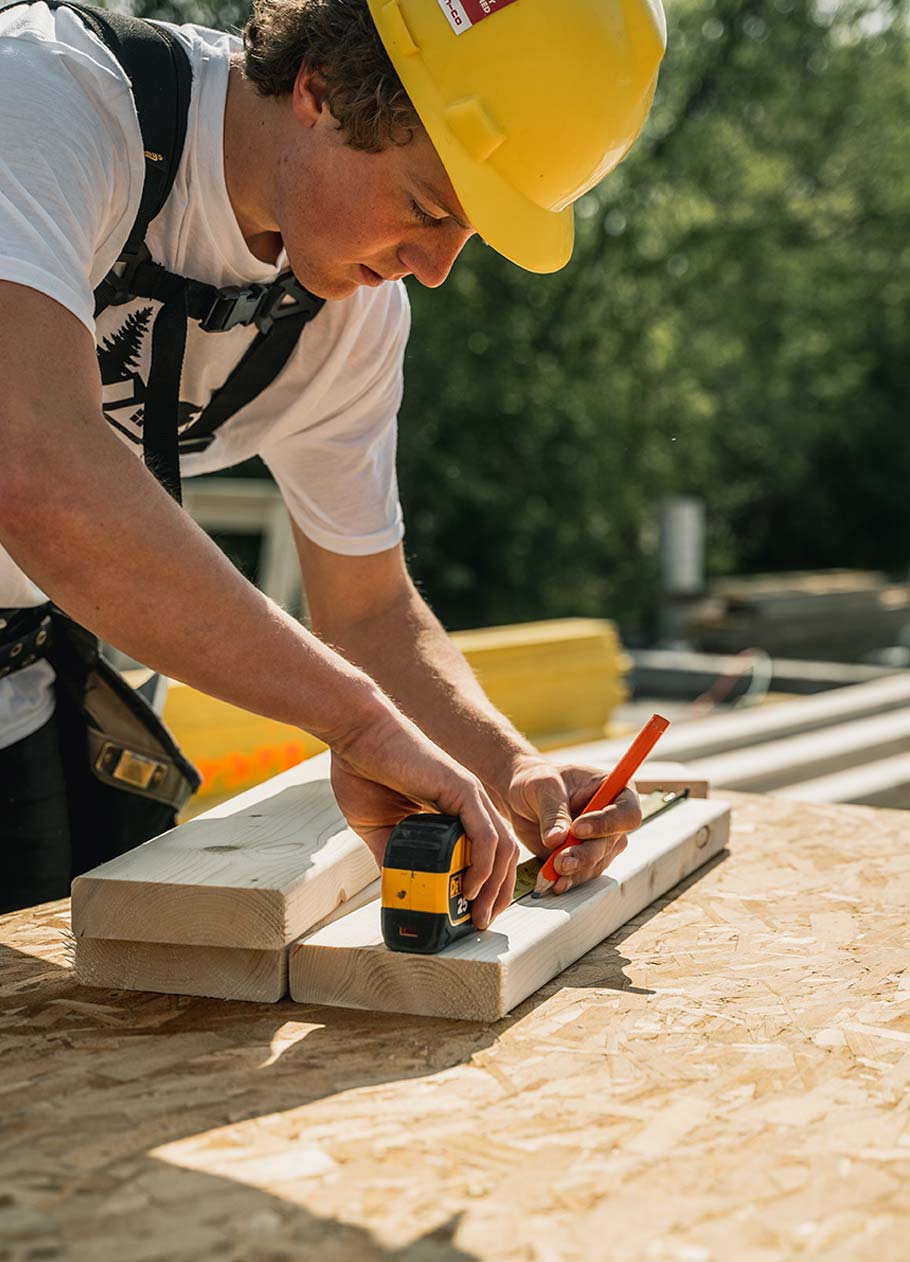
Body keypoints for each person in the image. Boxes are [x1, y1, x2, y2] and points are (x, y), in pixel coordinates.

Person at [0, 0, 666, 918]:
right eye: (427, 208)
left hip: (32, 693)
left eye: (466, 232)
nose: (435, 268)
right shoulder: (43, 99)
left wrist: (510, 770)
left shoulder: (347, 313)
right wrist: (353, 723)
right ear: (319, 87)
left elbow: (371, 611)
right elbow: (34, 472)